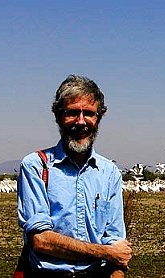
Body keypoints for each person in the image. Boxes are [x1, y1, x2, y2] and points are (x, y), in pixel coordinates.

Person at [17, 74, 132, 277]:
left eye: (88, 113)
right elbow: (41, 240)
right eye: (72, 113)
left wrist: (116, 269)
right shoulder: (36, 166)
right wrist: (106, 252)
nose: (81, 122)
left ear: (99, 117)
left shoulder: (109, 173)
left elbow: (116, 243)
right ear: (58, 117)